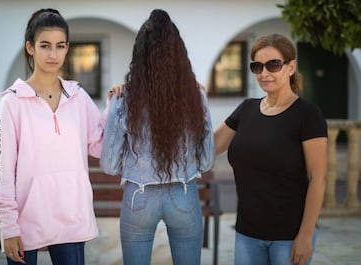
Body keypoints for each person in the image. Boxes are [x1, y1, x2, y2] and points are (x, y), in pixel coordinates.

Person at [0, 8, 113, 265]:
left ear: (67, 48)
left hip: (71, 219)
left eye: (60, 46)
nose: (53, 54)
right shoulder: (12, 102)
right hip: (25, 221)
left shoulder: (78, 97)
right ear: (30, 47)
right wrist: (8, 226)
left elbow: (98, 145)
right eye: (45, 46)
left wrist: (114, 106)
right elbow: (3, 168)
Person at [100, 9, 215, 265]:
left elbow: (108, 165)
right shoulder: (196, 96)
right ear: (179, 54)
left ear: (139, 56)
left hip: (137, 197)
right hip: (184, 195)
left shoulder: (124, 100)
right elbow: (207, 161)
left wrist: (132, 164)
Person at [214, 33, 327, 265]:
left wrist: (305, 234)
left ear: (290, 67)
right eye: (257, 66)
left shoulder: (307, 114)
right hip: (247, 234)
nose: (264, 73)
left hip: (289, 236)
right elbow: (209, 146)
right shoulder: (246, 109)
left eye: (273, 65)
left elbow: (318, 178)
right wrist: (190, 94)